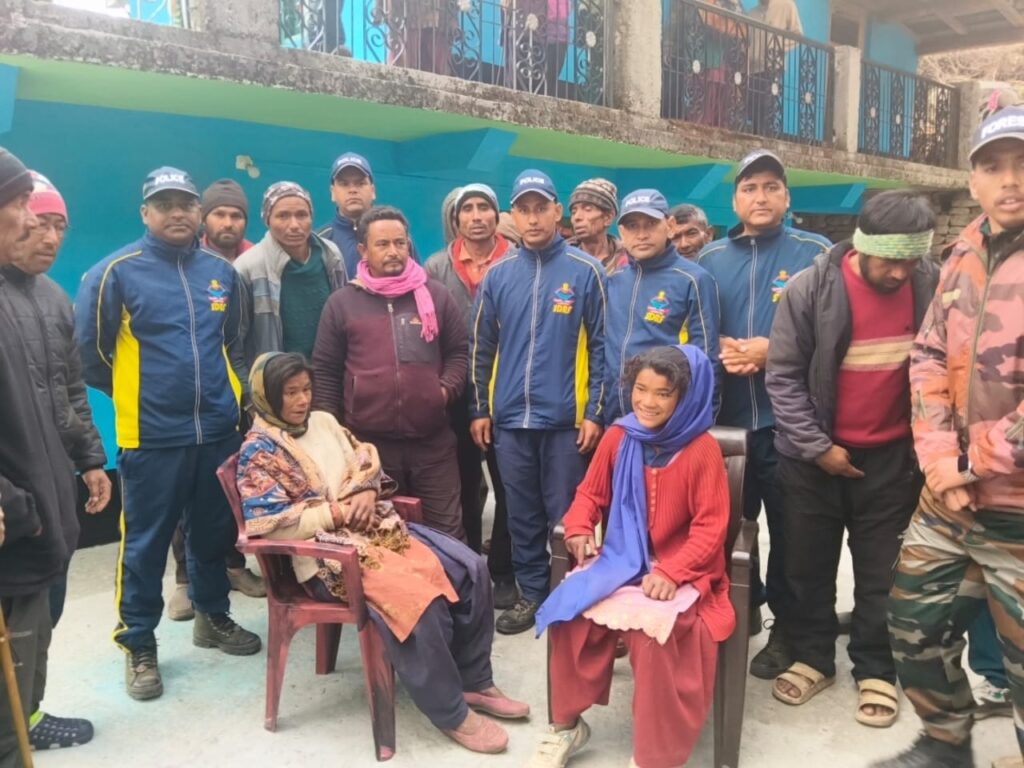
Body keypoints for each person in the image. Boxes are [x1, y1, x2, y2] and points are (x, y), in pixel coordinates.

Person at [236, 352, 529, 753]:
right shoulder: (259, 452)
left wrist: (366, 491)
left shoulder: (323, 422)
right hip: (325, 560)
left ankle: (474, 680)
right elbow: (273, 524)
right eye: (290, 393)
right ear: (268, 396)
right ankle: (449, 711)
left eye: (306, 389)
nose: (302, 400)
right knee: (417, 600)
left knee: (470, 567)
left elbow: (364, 459)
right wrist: (339, 512)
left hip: (375, 529)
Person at [870, 97, 1024, 768]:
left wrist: (972, 463)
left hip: (1016, 506)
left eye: (1022, 164)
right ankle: (945, 743)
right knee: (915, 626)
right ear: (973, 182)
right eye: (993, 166)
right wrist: (939, 460)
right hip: (949, 500)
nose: (1010, 180)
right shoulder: (964, 251)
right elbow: (928, 353)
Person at [75, 166, 261, 701]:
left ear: (198, 211)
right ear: (145, 213)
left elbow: (234, 346)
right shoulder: (114, 274)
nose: (177, 213)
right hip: (151, 437)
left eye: (186, 204)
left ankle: (212, 616)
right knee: (145, 545)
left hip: (217, 432)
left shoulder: (222, 274)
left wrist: (235, 405)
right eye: (164, 204)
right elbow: (91, 356)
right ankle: (138, 642)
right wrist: (142, 398)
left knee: (212, 535)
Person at [765, 190, 939, 727]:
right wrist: (819, 448)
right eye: (890, 259)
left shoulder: (931, 286)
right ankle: (814, 657)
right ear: (862, 245)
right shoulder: (810, 289)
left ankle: (876, 667)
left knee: (883, 573)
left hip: (890, 460)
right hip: (813, 459)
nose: (900, 272)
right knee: (807, 567)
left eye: (911, 260)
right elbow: (783, 377)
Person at [528, 345, 734, 768]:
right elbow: (590, 494)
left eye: (663, 393)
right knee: (569, 614)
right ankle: (566, 726)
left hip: (684, 571)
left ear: (686, 397)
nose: (647, 402)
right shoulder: (619, 436)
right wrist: (580, 526)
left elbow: (710, 530)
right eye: (640, 389)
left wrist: (673, 571)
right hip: (622, 560)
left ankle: (653, 757)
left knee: (656, 640)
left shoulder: (702, 450)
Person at [698, 149, 830, 678]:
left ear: (787, 197)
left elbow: (833, 335)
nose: (761, 197)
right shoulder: (709, 259)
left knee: (793, 534)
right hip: (725, 424)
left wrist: (771, 351)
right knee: (727, 529)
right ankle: (740, 609)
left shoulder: (815, 254)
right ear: (734, 200)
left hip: (788, 423)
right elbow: (694, 329)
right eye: (750, 187)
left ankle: (788, 632)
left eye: (772, 186)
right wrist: (719, 350)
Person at [1, 172, 112, 750]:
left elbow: (72, 391)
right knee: (17, 618)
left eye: (59, 226)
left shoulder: (52, 299)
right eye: (37, 221)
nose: (47, 236)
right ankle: (10, 732)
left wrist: (91, 460)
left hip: (53, 485)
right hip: (12, 498)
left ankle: (29, 713)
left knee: (47, 609)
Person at [469, 169, 607, 635]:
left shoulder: (587, 272)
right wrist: (480, 409)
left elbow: (603, 347)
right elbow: (481, 347)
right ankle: (532, 593)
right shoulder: (498, 276)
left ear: (556, 212)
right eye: (523, 210)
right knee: (521, 514)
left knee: (568, 514)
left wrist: (594, 412)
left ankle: (571, 590)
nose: (532, 218)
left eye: (540, 208)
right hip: (510, 421)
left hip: (567, 422)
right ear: (513, 215)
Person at [312, 206, 468, 540]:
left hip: (432, 444)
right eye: (382, 244)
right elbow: (325, 372)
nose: (393, 251)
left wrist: (441, 393)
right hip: (369, 449)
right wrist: (335, 438)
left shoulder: (436, 296)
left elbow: (459, 353)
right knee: (385, 539)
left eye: (400, 243)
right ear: (363, 250)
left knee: (447, 535)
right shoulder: (342, 303)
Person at [167, 177, 262, 621]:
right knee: (186, 494)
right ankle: (184, 581)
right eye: (220, 214)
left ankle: (233, 566)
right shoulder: (184, 264)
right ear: (205, 218)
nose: (228, 222)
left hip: (239, 396)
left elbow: (241, 338)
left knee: (232, 490)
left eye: (236, 215)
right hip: (187, 405)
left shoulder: (252, 262)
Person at [424, 184, 517, 607]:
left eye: (484, 208)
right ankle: (467, 565)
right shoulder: (436, 266)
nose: (476, 216)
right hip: (457, 387)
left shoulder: (518, 261)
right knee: (462, 482)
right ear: (455, 218)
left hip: (506, 387)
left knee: (508, 482)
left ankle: (502, 569)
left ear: (497, 216)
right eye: (468, 209)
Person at [605, 188, 720, 423]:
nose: (641, 234)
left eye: (650, 224)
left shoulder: (693, 280)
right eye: (632, 226)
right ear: (621, 232)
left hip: (668, 421)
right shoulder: (614, 281)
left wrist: (697, 422)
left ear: (669, 226)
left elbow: (707, 361)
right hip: (614, 419)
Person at [235, 181, 347, 365]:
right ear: (267, 220)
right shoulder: (247, 267)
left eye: (302, 215)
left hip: (329, 372)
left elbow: (345, 318)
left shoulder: (331, 255)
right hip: (277, 376)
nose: (294, 225)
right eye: (283, 216)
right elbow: (235, 340)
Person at [747, 0, 804, 136]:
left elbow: (797, 35)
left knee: (767, 107)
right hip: (753, 68)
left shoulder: (786, 5)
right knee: (753, 108)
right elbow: (747, 42)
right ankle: (756, 138)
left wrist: (778, 47)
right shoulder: (752, 14)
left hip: (773, 66)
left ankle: (765, 139)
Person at [318, 152, 377, 276]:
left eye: (360, 183)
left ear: (373, 191)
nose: (352, 190)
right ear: (333, 193)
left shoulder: (395, 235)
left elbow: (417, 282)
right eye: (344, 184)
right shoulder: (319, 241)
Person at [567, 178, 628, 275]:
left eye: (587, 209)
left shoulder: (627, 261)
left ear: (608, 218)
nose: (577, 217)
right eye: (574, 212)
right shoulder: (562, 258)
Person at [200, 178, 252, 261]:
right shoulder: (187, 260)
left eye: (236, 216)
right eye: (219, 215)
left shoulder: (259, 260)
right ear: (203, 219)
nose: (228, 224)